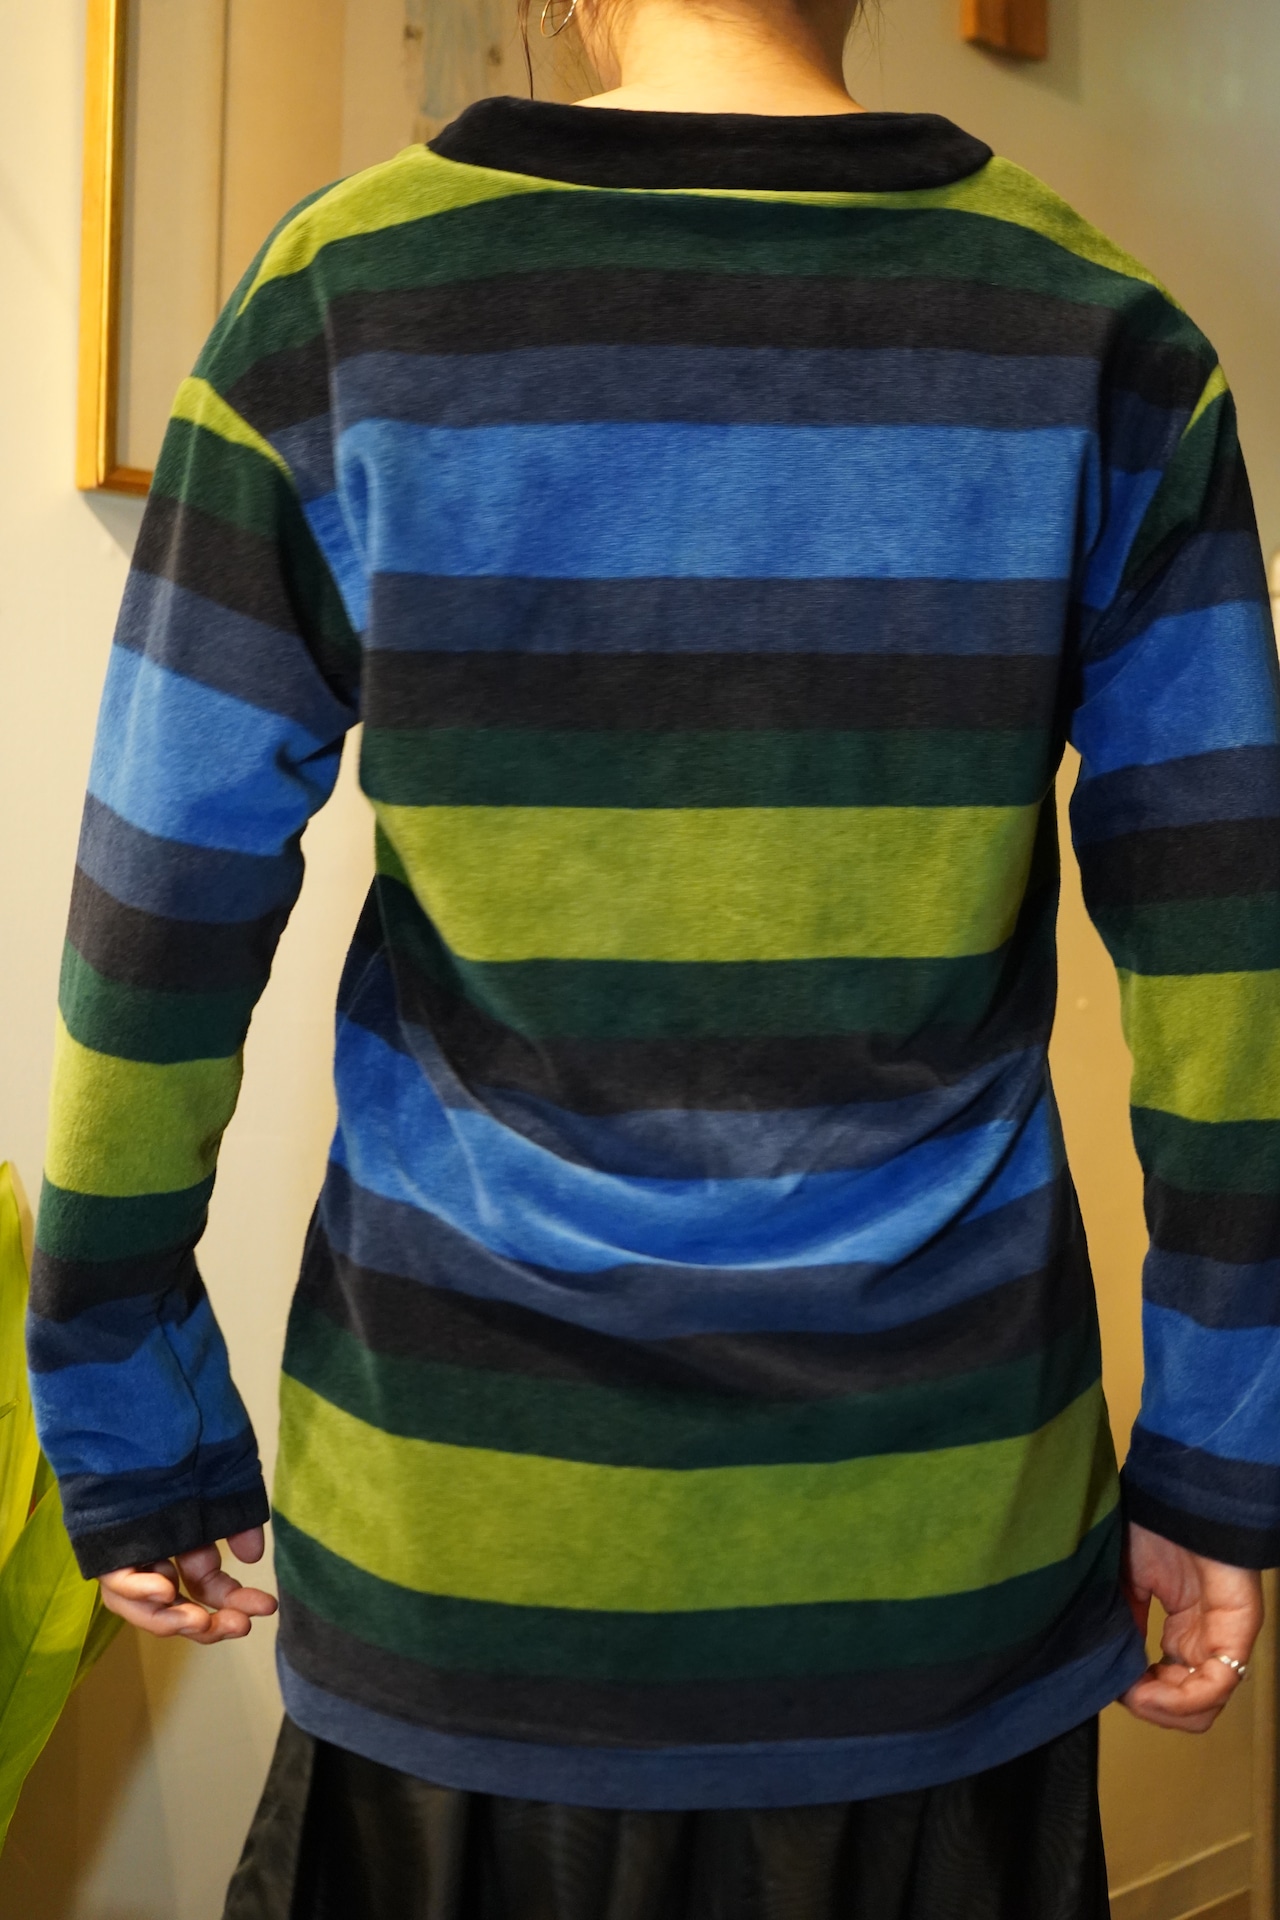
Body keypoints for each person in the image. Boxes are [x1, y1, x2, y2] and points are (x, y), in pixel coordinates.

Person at [27, 0, 1278, 1912]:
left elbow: (157, 925)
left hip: (468, 1540)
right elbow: (1229, 972)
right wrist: (1216, 1455)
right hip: (932, 1550)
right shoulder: (1102, 332)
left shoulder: (348, 299)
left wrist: (131, 1416)